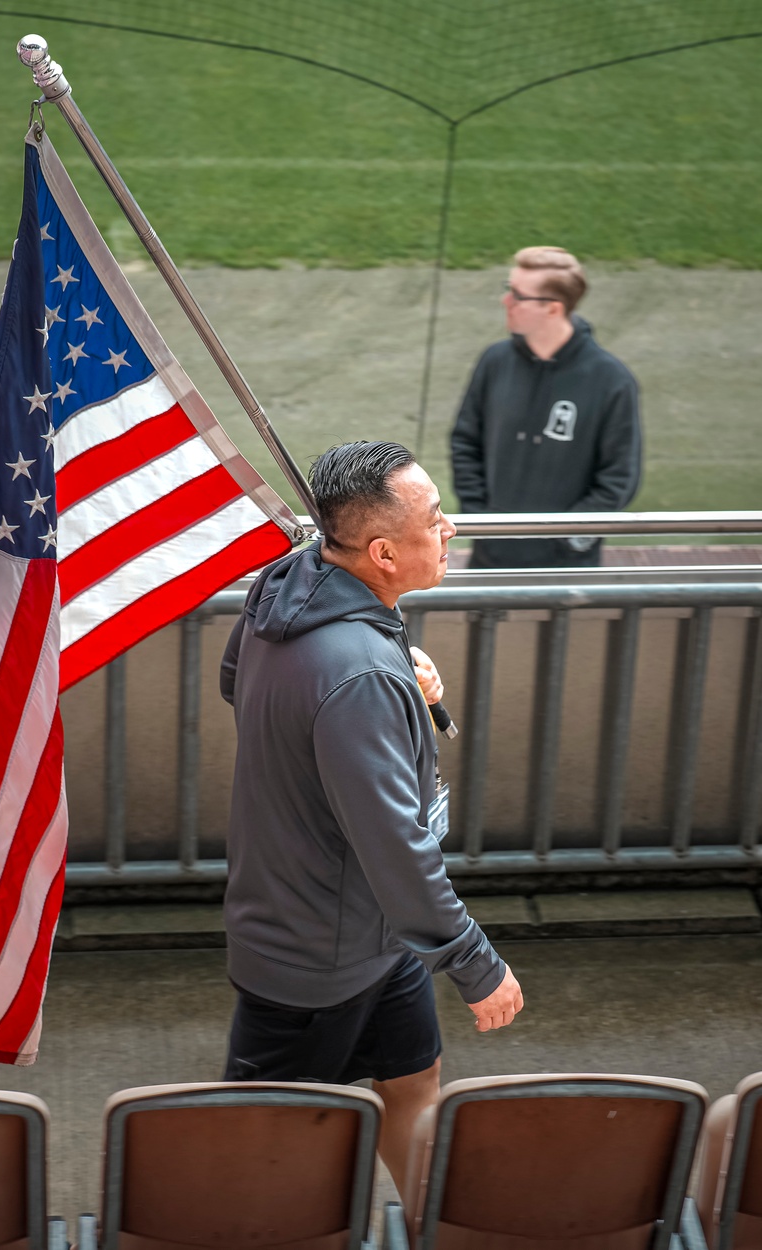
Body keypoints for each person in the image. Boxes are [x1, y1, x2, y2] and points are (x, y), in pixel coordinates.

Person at [219, 440, 523, 1189]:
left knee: (415, 1090)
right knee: (255, 1161)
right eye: (437, 518)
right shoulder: (356, 673)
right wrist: (476, 965)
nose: (451, 529)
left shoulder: (286, 581)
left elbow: (237, 681)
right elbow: (399, 849)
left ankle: (433, 1228)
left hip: (379, 940)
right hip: (310, 962)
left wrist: (404, 698)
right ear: (383, 552)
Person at [450, 245, 642, 568]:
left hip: (566, 569)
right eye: (507, 289)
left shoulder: (612, 380)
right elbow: (465, 441)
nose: (506, 301)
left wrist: (566, 538)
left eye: (517, 295)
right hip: (490, 555)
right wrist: (481, 519)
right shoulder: (494, 361)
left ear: (553, 308)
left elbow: (619, 478)